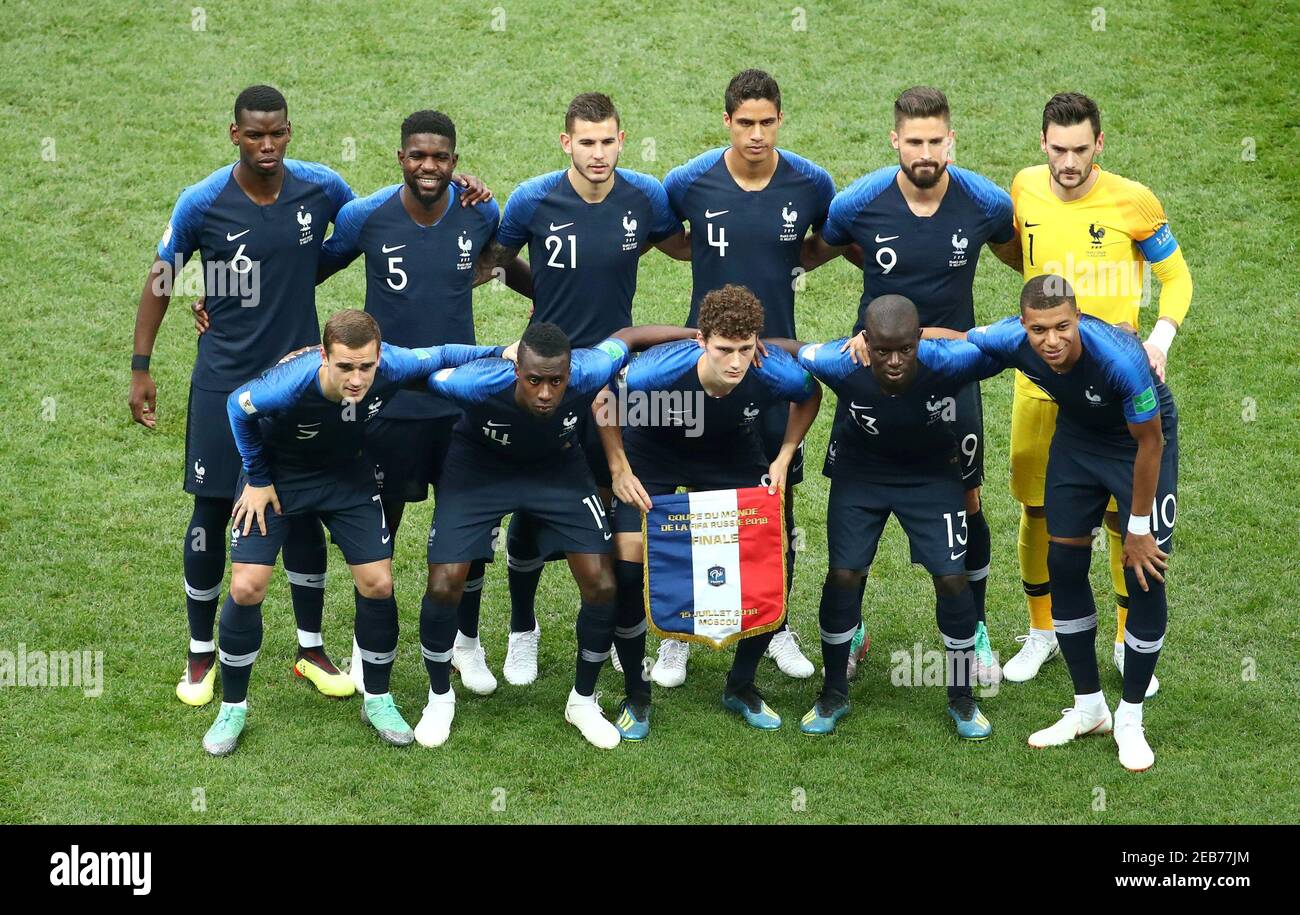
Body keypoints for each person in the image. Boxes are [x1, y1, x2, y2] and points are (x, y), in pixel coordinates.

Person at [129, 85, 355, 707]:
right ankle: (200, 653)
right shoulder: (204, 201)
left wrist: (303, 269)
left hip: (300, 385)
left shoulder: (322, 188)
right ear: (235, 134)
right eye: (254, 134)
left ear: (290, 130)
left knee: (302, 510)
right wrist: (141, 367)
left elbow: (367, 228)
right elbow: (160, 278)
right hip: (222, 385)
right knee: (209, 514)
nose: (267, 144)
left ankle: (311, 649)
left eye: (277, 133)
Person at [207, 310, 504, 755]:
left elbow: (444, 353)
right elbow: (237, 406)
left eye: (366, 366)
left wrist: (502, 351)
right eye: (345, 366)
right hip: (278, 478)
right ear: (325, 357)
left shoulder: (392, 365)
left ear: (379, 356)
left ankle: (379, 698)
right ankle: (233, 707)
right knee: (248, 587)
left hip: (346, 479)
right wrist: (257, 476)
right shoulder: (291, 383)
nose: (356, 379)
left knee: (378, 583)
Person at [803, 87, 1018, 685]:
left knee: (968, 500)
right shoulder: (861, 203)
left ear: (951, 140)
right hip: (872, 374)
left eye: (936, 140)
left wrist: (943, 336)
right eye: (914, 141)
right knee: (856, 504)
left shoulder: (984, 203)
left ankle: (972, 629)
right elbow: (816, 251)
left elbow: (1017, 254)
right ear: (895, 140)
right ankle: (851, 631)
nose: (925, 152)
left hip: (952, 379)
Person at [315, 109, 529, 697]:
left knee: (468, 529)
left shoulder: (480, 210)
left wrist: (548, 312)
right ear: (400, 158)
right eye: (418, 155)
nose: (428, 166)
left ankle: (466, 644)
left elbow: (505, 264)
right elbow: (305, 271)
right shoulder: (366, 217)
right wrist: (227, 302)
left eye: (440, 157)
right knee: (376, 530)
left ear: (455, 162)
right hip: (387, 406)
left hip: (460, 404)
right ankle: (367, 646)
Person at [484, 92, 684, 687]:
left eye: (607, 142)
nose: (598, 154)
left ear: (623, 140)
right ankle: (523, 629)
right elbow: (495, 262)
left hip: (613, 374)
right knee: (532, 494)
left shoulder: (645, 197)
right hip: (544, 374)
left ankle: (616, 634)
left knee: (608, 496)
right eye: (586, 142)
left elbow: (676, 243)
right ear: (565, 142)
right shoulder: (533, 198)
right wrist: (541, 296)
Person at [417, 322, 695, 748]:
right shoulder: (473, 383)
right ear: (515, 372)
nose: (545, 393)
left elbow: (631, 337)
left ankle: (583, 700)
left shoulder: (589, 368)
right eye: (534, 381)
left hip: (557, 471)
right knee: (444, 582)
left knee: (602, 585)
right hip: (479, 471)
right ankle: (439, 697)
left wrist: (699, 335)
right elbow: (424, 366)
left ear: (570, 374)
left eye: (555, 382)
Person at [999, 93, 1192, 692]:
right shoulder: (1024, 188)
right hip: (1040, 383)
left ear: (1099, 145)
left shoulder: (1133, 201)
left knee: (1121, 516)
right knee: (1037, 508)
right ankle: (1042, 632)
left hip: (1114, 387)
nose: (1069, 162)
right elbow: (1023, 255)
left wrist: (1159, 338)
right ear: (1042, 145)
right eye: (1058, 149)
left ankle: (1121, 636)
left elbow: (1176, 275)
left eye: (1081, 149)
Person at [652, 68, 837, 685]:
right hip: (705, 367)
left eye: (767, 122)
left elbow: (821, 243)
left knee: (770, 501)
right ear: (726, 120)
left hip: (772, 364)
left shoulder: (811, 183)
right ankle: (680, 630)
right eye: (744, 123)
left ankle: (776, 624)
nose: (756, 134)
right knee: (689, 499)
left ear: (780, 119)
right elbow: (672, 240)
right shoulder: (689, 181)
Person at [966, 275, 1178, 771]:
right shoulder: (1011, 339)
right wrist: (888, 339)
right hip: (1079, 442)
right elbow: (960, 339)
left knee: (1143, 573)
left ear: (1078, 319)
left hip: (1138, 446)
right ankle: (1089, 708)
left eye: (1063, 326)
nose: (1052, 340)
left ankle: (1130, 717)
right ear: (1024, 326)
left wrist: (1140, 528)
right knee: (1062, 563)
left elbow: (1151, 443)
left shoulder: (1121, 360)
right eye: (1040, 330)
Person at [598, 285, 821, 738]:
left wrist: (783, 456)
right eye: (724, 350)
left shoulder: (770, 370)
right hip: (656, 448)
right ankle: (636, 694)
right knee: (627, 564)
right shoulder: (655, 374)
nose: (736, 362)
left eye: (744, 348)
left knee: (774, 558)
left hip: (731, 451)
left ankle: (741, 686)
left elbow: (810, 394)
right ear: (701, 342)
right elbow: (604, 400)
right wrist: (620, 467)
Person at [788, 295, 1001, 739]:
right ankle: (833, 692)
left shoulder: (949, 361)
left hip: (931, 478)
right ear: (864, 341)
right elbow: (790, 348)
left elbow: (1008, 345)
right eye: (882, 350)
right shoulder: (840, 362)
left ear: (920, 340)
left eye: (905, 349)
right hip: (860, 477)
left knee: (951, 579)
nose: (895, 360)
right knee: (843, 574)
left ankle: (962, 698)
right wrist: (711, 344)